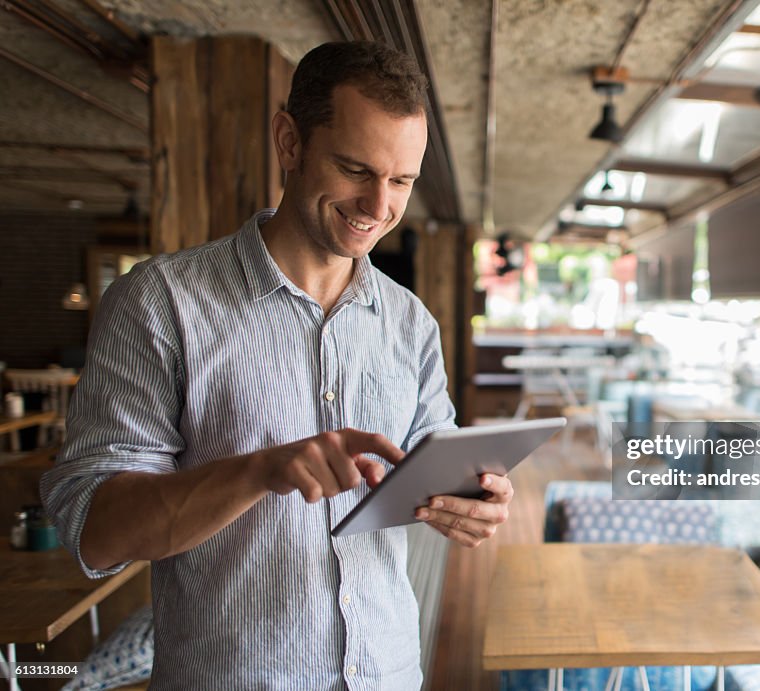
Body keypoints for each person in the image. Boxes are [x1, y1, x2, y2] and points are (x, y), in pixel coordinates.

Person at [41, 41, 513, 690]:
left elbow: (440, 473)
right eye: (354, 168)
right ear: (289, 142)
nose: (379, 207)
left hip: (390, 674)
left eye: (401, 180)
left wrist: (473, 503)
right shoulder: (160, 302)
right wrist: (258, 470)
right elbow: (94, 529)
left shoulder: (411, 324)